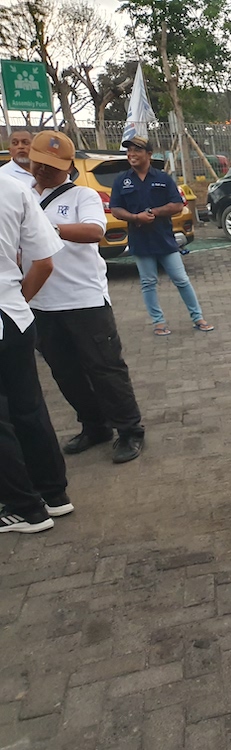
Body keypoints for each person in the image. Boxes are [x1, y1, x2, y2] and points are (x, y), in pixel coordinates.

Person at [27, 131, 145, 464]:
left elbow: (95, 231)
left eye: (53, 165)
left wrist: (49, 229)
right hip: (41, 303)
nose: (44, 169)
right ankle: (94, 426)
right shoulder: (22, 196)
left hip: (84, 301)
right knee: (65, 373)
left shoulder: (83, 196)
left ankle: (130, 430)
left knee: (105, 369)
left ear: (69, 166)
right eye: (39, 162)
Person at [0, 173, 73, 532]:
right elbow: (44, 262)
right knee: (29, 407)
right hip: (14, 314)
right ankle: (54, 494)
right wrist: (18, 300)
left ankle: (24, 508)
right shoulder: (13, 189)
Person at [108, 136, 214, 336]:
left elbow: (177, 205)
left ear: (149, 154)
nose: (131, 154)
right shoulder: (122, 180)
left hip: (164, 240)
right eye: (129, 150)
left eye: (137, 150)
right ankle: (158, 322)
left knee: (181, 279)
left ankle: (198, 317)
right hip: (140, 241)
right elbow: (115, 209)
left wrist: (154, 212)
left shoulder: (163, 178)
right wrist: (135, 217)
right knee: (148, 283)